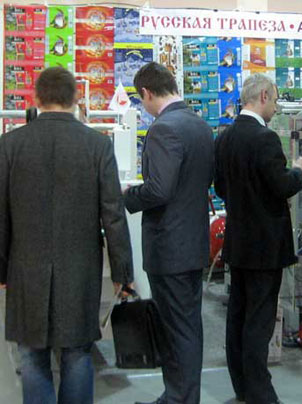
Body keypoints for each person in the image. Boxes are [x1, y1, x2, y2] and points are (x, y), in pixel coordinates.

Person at [0, 67, 134, 404]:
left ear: (36, 97)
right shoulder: (97, 145)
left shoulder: (10, 145)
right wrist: (122, 273)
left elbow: (1, 215)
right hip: (80, 268)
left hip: (26, 268)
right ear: (76, 98)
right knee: (77, 353)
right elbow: (113, 214)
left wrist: (1, 270)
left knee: (32, 355)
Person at [124, 62, 214, 404]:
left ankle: (180, 398)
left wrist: (127, 195)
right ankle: (177, 394)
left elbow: (159, 190)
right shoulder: (199, 125)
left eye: (141, 99)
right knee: (186, 325)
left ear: (147, 93)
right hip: (191, 242)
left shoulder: (164, 129)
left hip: (169, 246)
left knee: (178, 329)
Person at [214, 73, 302, 404]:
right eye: (276, 100)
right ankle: (260, 392)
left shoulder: (224, 137)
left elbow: (221, 188)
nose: (276, 107)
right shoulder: (265, 139)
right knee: (259, 320)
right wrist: (299, 171)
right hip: (265, 245)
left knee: (238, 315)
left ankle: (242, 385)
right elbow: (281, 185)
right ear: (264, 96)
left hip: (238, 242)